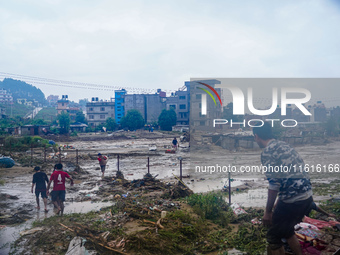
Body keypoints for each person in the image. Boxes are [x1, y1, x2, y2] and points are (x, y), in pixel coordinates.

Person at [253, 122, 313, 255]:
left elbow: (274, 184)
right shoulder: (285, 145)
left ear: (256, 136)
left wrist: (268, 212)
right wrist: (278, 202)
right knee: (287, 230)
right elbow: (289, 178)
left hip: (293, 201)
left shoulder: (268, 152)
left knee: (273, 237)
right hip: (307, 197)